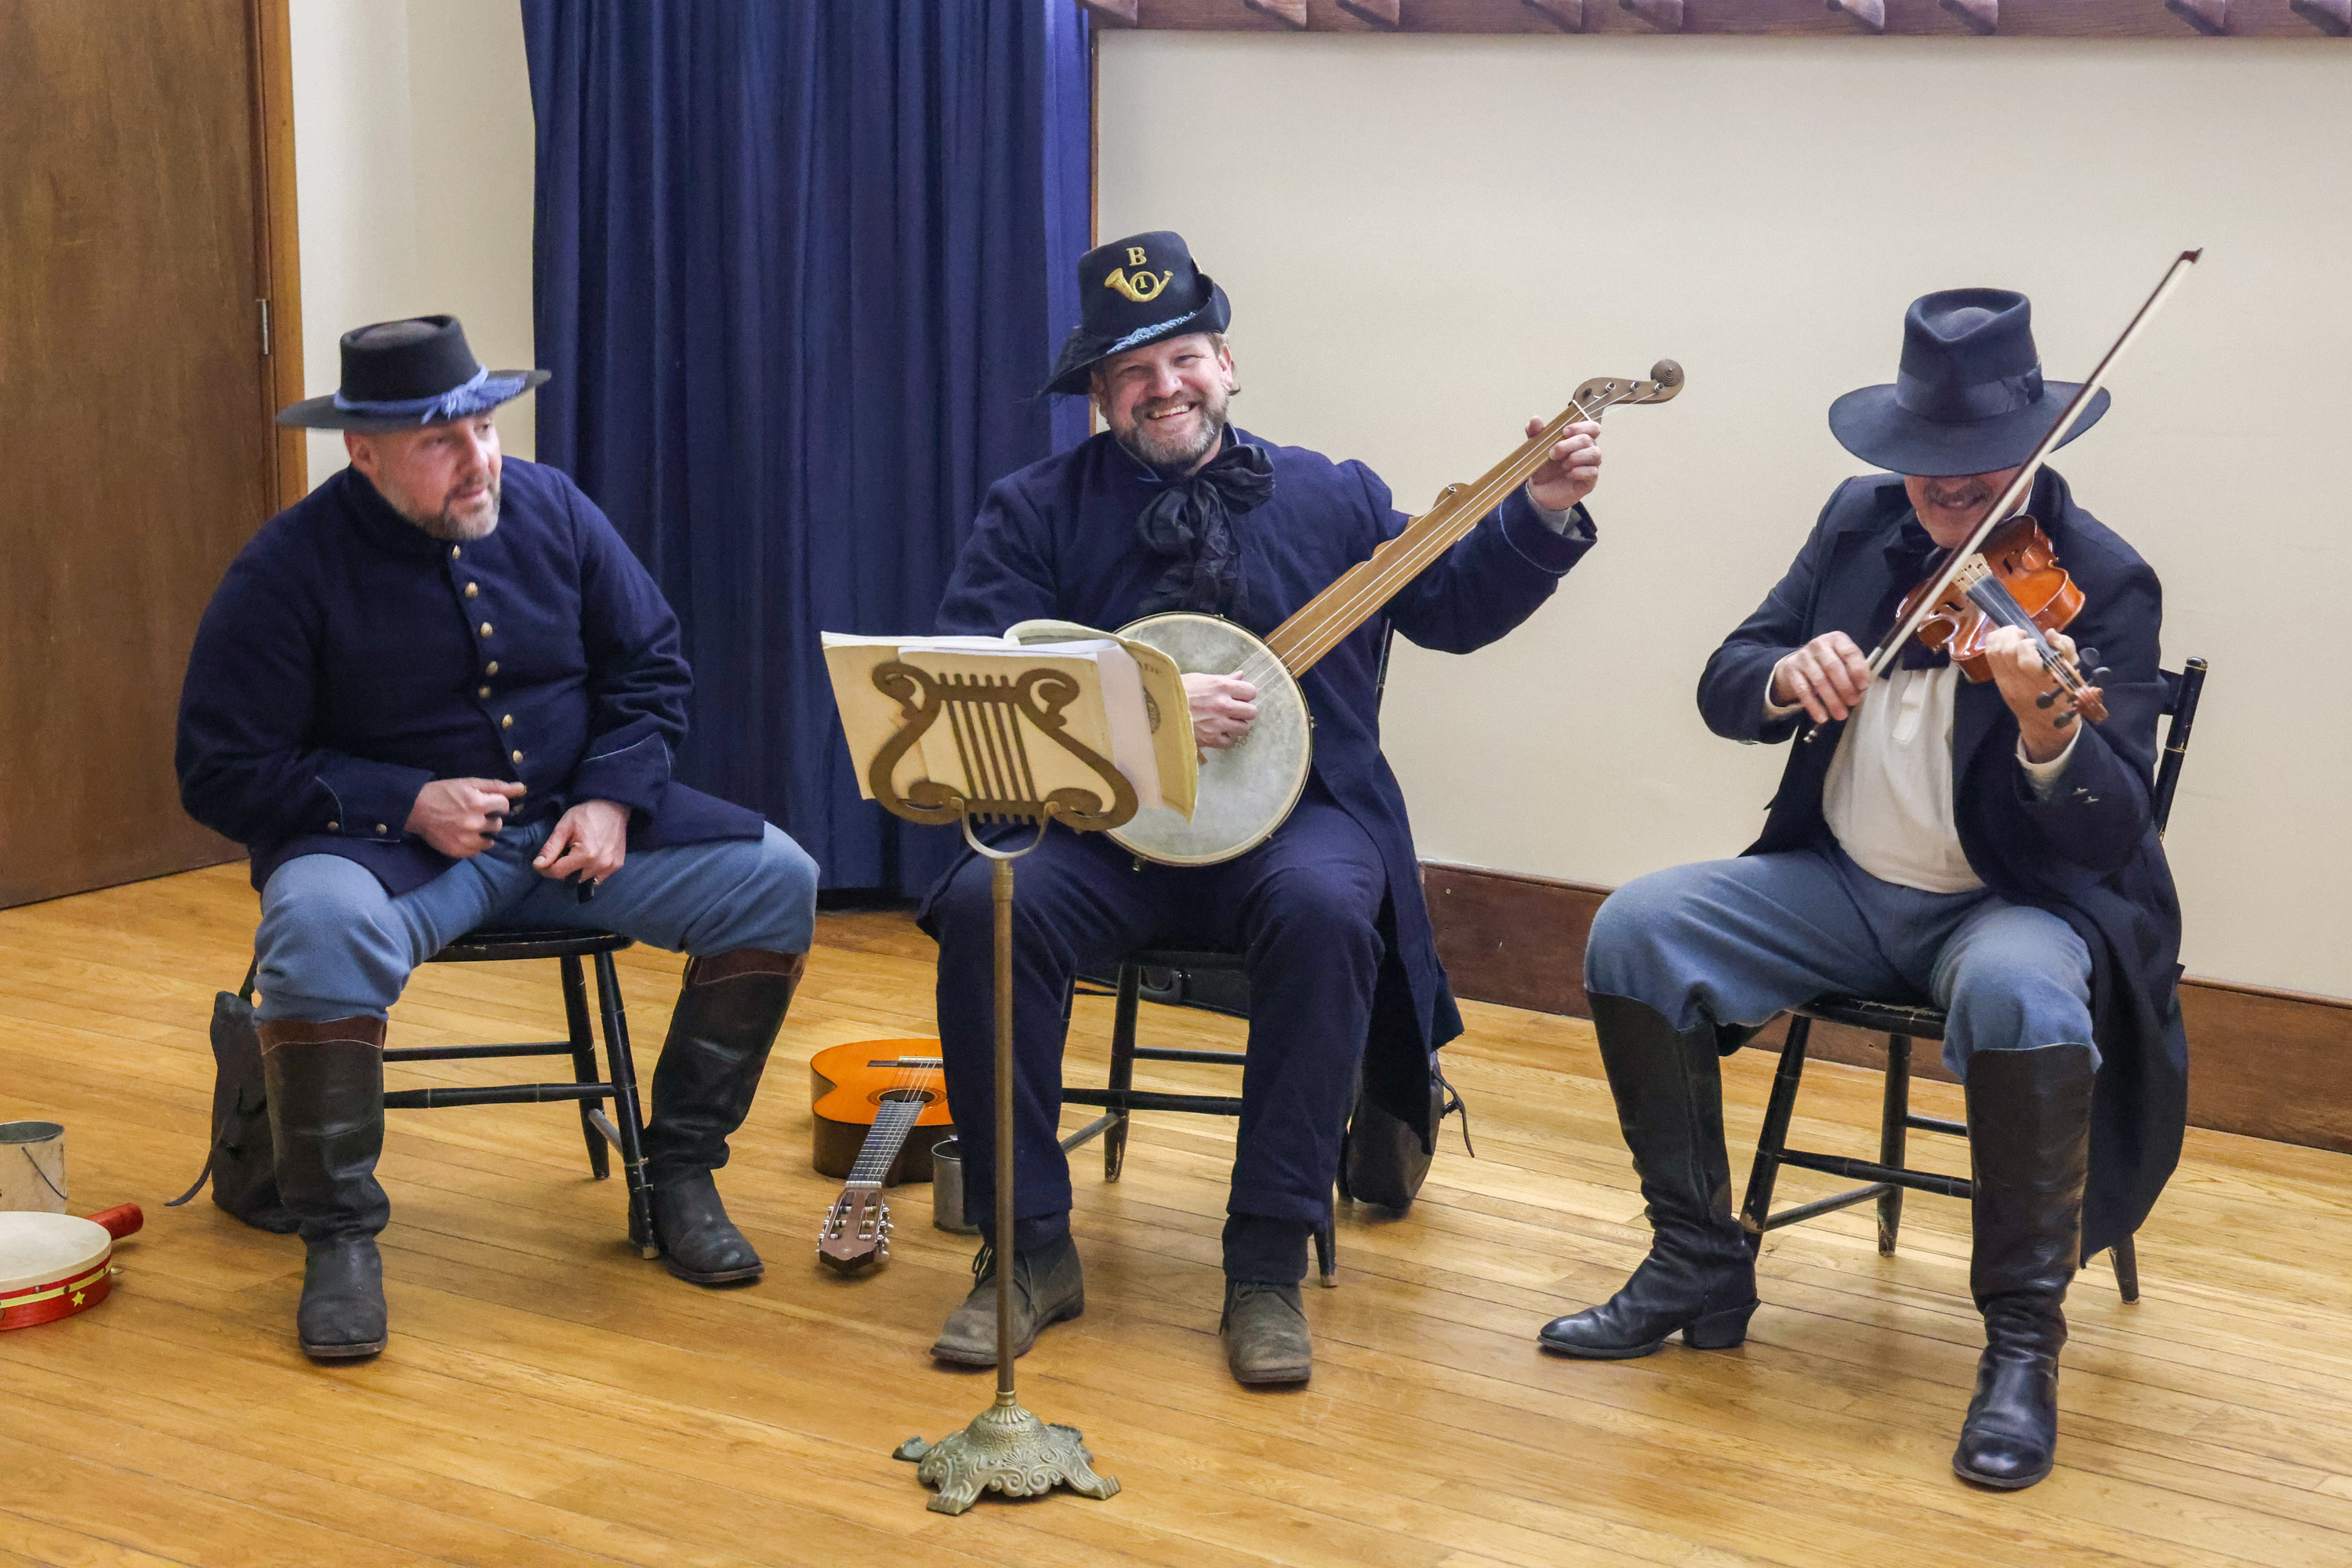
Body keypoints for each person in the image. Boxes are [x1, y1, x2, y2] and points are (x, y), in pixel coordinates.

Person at [920, 231, 1606, 1385]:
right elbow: (981, 663)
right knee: (995, 907)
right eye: (1132, 374)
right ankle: (1028, 1248)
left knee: (1332, 911)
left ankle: (1266, 1264)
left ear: (1226, 363)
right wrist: (1141, 702)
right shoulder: (1033, 508)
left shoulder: (1336, 496)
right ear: (1099, 398)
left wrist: (1534, 514)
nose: (1164, 388)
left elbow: (1448, 609)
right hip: (1105, 830)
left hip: (1300, 816)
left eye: (1182, 358)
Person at [1543, 289, 2187, 1491]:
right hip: (1838, 880)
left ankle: (2019, 1347)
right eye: (1921, 474)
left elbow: (2111, 828)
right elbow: (1727, 677)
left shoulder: (2101, 581)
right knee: (1637, 927)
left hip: (2013, 904)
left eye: (1969, 476)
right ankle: (1696, 1258)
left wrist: (2046, 718)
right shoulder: (1857, 527)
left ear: (2033, 451)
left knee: (2025, 1001)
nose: (1943, 500)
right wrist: (1787, 673)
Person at [176, 317, 819, 1360]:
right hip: (395, 856)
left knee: (775, 881)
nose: (480, 462)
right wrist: (404, 802)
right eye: (441, 442)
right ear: (366, 451)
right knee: (316, 926)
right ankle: (339, 1239)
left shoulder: (554, 506)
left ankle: (683, 1171)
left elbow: (651, 669)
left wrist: (611, 798)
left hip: (576, 835)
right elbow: (217, 770)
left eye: (483, 428)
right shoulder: (287, 566)